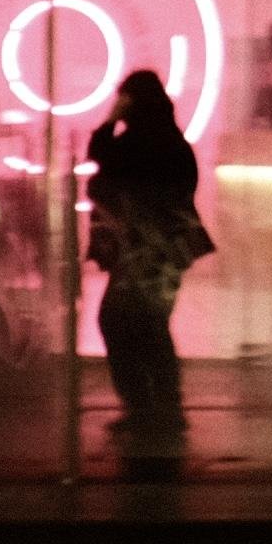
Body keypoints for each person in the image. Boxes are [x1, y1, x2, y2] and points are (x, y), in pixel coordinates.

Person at [80, 68, 212, 439]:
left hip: (145, 252)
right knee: (147, 324)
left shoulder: (142, 144)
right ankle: (160, 405)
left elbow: (101, 154)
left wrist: (111, 118)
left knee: (124, 322)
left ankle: (148, 406)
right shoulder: (170, 142)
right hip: (160, 252)